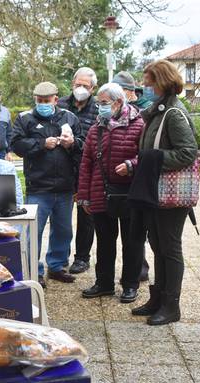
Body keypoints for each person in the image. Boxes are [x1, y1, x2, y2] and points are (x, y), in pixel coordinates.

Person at [127, 60, 198, 325]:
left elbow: (188, 152)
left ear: (163, 83)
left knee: (169, 248)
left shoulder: (174, 114)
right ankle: (157, 299)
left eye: (149, 84)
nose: (145, 88)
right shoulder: (157, 111)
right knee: (157, 245)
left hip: (171, 194)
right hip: (155, 191)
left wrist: (154, 158)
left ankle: (171, 306)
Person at [10, 82, 83, 286]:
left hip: (65, 187)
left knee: (63, 230)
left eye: (46, 101)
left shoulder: (70, 117)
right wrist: (41, 144)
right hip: (38, 186)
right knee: (34, 232)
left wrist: (72, 143)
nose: (42, 104)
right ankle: (35, 270)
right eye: (39, 101)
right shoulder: (25, 119)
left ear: (55, 100)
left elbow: (83, 145)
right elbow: (15, 145)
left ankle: (57, 266)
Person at [76, 83, 144, 303]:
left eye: (104, 103)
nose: (100, 108)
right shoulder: (96, 128)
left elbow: (146, 156)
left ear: (118, 102)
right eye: (98, 103)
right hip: (100, 193)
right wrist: (83, 195)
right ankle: (104, 283)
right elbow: (86, 163)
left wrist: (131, 165)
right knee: (105, 242)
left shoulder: (139, 124)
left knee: (132, 242)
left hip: (130, 195)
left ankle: (130, 285)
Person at [58, 67, 98, 275]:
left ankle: (82, 258)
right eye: (78, 84)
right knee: (61, 217)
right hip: (61, 169)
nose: (80, 89)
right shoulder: (60, 105)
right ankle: (59, 256)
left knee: (86, 216)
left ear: (93, 88)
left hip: (86, 170)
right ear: (72, 84)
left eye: (85, 86)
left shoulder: (99, 109)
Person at [113, 70, 152, 281]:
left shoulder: (145, 110)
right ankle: (134, 270)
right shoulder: (113, 111)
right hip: (119, 179)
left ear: (128, 92)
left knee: (137, 231)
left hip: (138, 176)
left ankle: (139, 270)